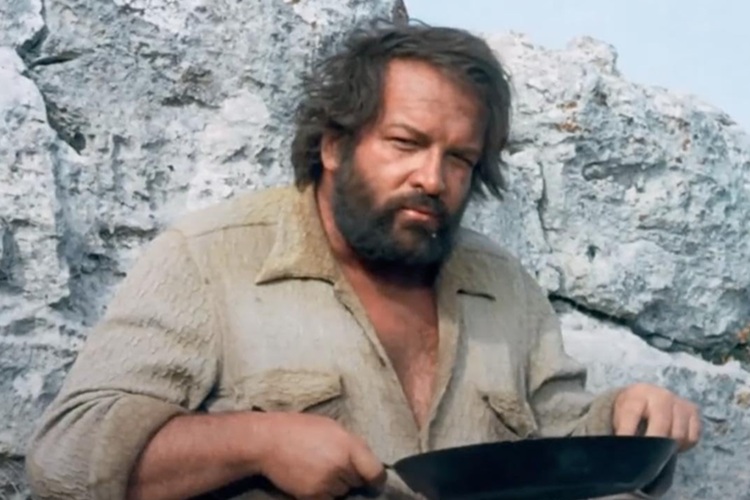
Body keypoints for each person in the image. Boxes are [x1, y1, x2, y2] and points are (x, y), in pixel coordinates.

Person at [25, 21, 700, 500]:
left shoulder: (505, 286)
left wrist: (628, 415)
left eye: (460, 158)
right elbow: (66, 458)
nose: (433, 178)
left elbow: (560, 440)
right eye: (406, 143)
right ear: (333, 145)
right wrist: (257, 441)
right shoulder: (209, 259)